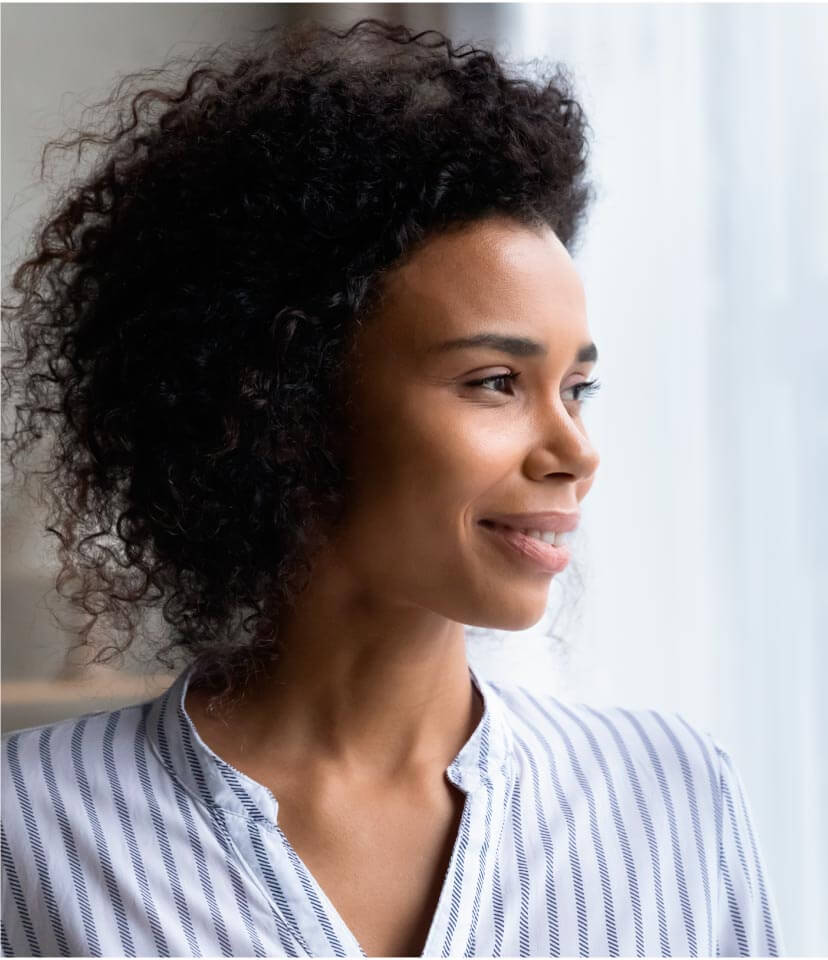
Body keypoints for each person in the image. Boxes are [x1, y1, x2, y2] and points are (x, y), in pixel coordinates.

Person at [0, 17, 784, 958]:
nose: (575, 450)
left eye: (578, 388)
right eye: (496, 382)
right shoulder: (32, 828)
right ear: (286, 402)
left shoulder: (671, 796)